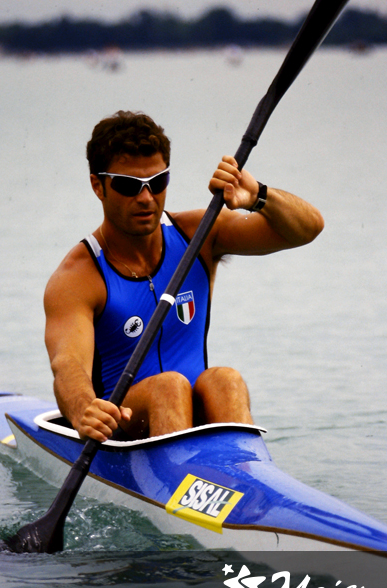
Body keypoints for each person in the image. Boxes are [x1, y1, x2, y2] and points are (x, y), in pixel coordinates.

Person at [44, 110, 324, 443]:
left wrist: (258, 196)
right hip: (122, 426)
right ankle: (177, 471)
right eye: (129, 186)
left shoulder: (198, 236)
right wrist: (83, 409)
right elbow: (68, 364)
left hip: (192, 415)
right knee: (169, 386)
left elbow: (308, 229)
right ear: (98, 186)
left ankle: (243, 469)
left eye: (157, 182)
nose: (146, 198)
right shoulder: (79, 275)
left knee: (225, 379)